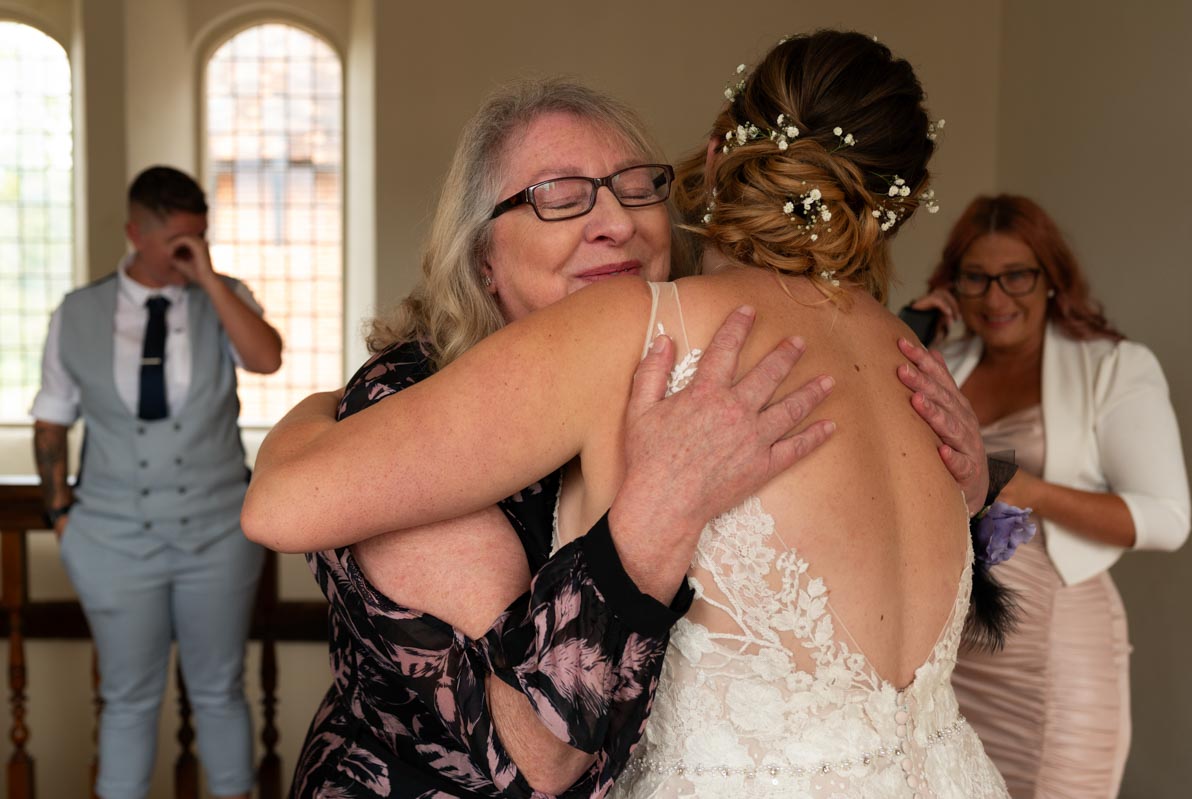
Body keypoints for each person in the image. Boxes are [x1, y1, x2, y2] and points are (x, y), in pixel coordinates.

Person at [245, 32, 1012, 797]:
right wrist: (319, 408)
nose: (613, 220)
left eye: (635, 186)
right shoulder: (408, 395)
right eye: (559, 195)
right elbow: (538, 756)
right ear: (482, 257)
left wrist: (969, 495)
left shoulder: (678, 348)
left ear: (703, 171)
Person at [907, 194, 1191, 798]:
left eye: (1016, 276)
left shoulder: (1113, 367)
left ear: (1052, 280)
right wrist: (908, 331)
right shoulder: (944, 362)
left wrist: (1016, 483)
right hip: (955, 660)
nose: (996, 298)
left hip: (1057, 657)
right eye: (976, 278)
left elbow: (1167, 520)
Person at [31, 165, 281, 799]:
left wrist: (208, 278)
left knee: (221, 691)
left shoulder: (224, 296)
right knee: (127, 698)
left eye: (196, 239)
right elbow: (52, 422)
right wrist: (62, 517)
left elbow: (266, 358)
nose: (186, 252)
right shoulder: (77, 314)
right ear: (134, 233)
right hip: (111, 540)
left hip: (219, 534)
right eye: (175, 241)